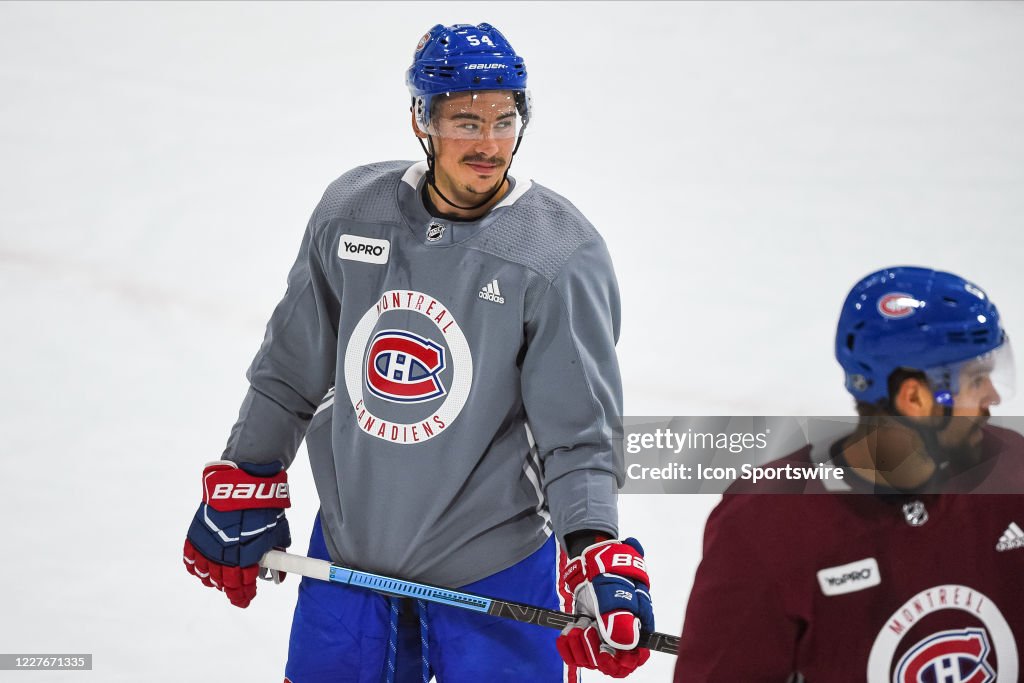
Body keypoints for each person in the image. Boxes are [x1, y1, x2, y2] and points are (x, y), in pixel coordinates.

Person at [181, 22, 654, 682]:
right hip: (347, 566)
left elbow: (578, 438)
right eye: (466, 122)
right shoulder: (353, 213)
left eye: (504, 119)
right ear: (421, 121)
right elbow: (290, 368)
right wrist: (248, 467)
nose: (490, 144)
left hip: (496, 581)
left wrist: (592, 545)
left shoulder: (558, 256)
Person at [674, 266, 1024, 682]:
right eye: (977, 380)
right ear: (914, 397)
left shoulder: (1013, 472)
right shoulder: (767, 524)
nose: (994, 398)